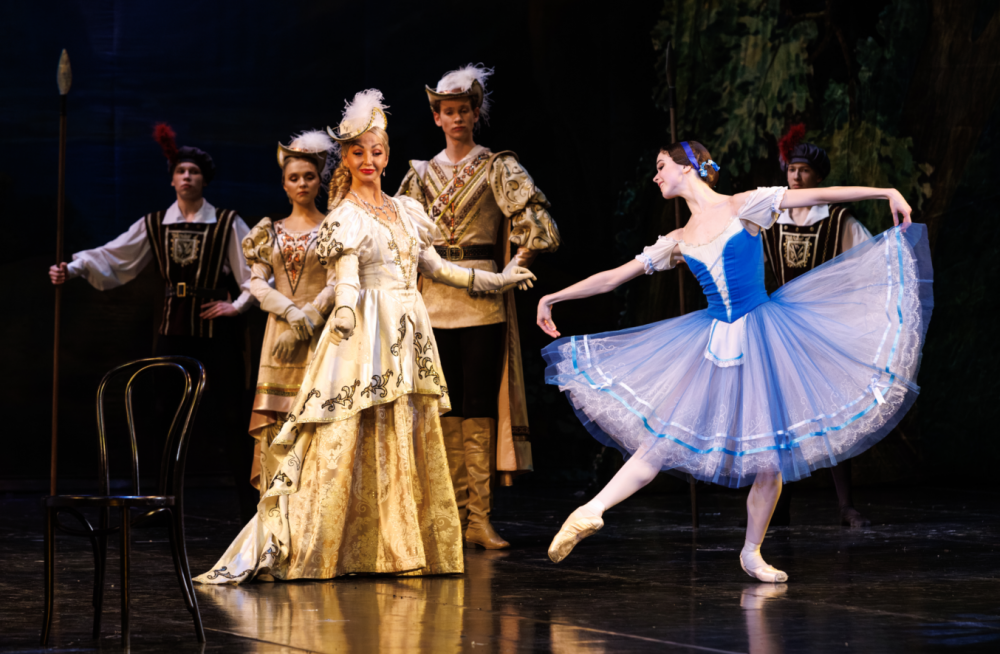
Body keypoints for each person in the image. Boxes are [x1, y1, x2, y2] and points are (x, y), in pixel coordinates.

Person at [536, 141, 932, 582]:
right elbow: (613, 277)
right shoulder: (677, 239)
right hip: (711, 344)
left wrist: (885, 191)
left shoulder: (744, 205)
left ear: (688, 168)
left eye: (661, 166)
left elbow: (819, 195)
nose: (656, 176)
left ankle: (751, 552)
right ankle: (590, 510)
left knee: (770, 460)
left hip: (765, 336)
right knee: (663, 438)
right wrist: (555, 296)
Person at [194, 90, 536, 584]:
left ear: (387, 154)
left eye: (376, 151)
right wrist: (344, 313)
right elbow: (348, 277)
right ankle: (326, 543)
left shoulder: (406, 210)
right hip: (365, 330)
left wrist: (498, 280)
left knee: (403, 430)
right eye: (358, 152)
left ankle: (398, 546)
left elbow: (440, 269)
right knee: (347, 432)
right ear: (346, 159)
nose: (368, 160)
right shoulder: (345, 215)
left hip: (408, 330)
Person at [49, 124, 259, 522]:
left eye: (194, 171)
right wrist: (71, 269)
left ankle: (251, 508)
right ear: (172, 179)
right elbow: (114, 255)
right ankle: (163, 504)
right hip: (172, 330)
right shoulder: (155, 224)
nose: (187, 176)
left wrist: (238, 305)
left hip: (218, 332)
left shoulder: (227, 222)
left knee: (233, 415)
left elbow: (256, 271)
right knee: (166, 415)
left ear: (204, 179)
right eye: (181, 171)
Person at [396, 64, 560, 549]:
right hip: (433, 297)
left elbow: (536, 222)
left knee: (479, 405)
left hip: (483, 297)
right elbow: (396, 235)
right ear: (436, 117)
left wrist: (514, 269)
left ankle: (479, 518)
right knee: (444, 406)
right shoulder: (418, 175)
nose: (456, 118)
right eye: (448, 111)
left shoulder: (496, 166)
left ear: (475, 113)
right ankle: (452, 516)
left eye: (464, 110)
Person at [761, 124, 874, 529]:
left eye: (804, 170)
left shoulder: (838, 220)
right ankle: (780, 504)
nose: (796, 176)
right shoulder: (771, 219)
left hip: (823, 326)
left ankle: (845, 505)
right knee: (784, 417)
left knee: (833, 414)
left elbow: (866, 264)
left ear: (818, 177)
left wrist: (851, 311)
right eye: (791, 169)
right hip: (782, 327)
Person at [243, 130, 338, 493]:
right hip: (278, 338)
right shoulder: (270, 231)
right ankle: (275, 511)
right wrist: (291, 314)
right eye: (294, 178)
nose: (302, 184)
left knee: (315, 422)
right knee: (276, 422)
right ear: (284, 184)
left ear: (319, 181)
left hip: (319, 338)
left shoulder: (332, 228)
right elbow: (256, 283)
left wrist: (308, 318)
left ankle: (309, 510)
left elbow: (337, 282)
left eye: (309, 177)